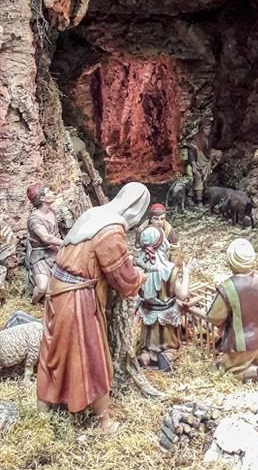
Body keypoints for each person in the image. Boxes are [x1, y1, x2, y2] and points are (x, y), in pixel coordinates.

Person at [36, 182, 149, 434]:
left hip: (57, 289)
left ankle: (43, 409)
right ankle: (103, 421)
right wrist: (139, 277)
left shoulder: (94, 214)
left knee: (54, 351)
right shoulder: (111, 229)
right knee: (92, 355)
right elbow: (122, 277)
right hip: (76, 297)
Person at [189, 238, 258, 381]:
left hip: (240, 345)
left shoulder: (227, 287)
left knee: (227, 371)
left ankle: (257, 371)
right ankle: (257, 365)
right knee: (252, 360)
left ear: (230, 261)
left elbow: (214, 317)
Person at [135, 226, 193, 369]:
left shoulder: (138, 268)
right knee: (170, 346)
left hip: (148, 315)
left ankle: (145, 357)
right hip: (166, 317)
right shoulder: (169, 270)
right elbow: (183, 295)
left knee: (147, 346)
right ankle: (167, 356)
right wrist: (187, 273)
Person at [26, 184, 64, 304]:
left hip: (57, 252)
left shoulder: (52, 211)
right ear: (42, 198)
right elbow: (45, 237)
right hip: (42, 256)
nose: (52, 193)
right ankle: (33, 304)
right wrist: (66, 242)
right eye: (48, 192)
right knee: (42, 287)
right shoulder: (34, 219)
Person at [187, 117, 223, 205]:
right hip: (198, 163)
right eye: (206, 128)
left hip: (207, 162)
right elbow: (191, 152)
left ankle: (200, 196)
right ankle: (199, 201)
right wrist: (194, 164)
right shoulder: (196, 140)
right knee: (199, 179)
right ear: (201, 129)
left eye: (209, 128)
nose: (208, 130)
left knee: (218, 153)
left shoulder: (209, 139)